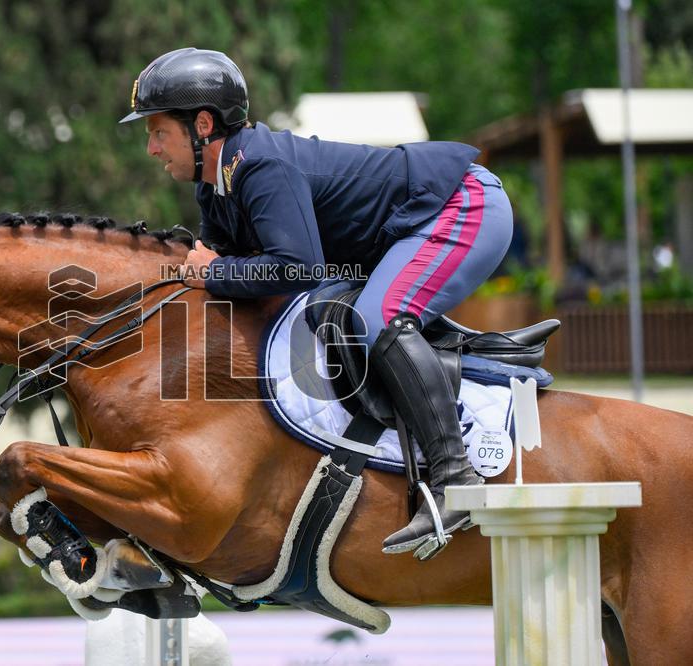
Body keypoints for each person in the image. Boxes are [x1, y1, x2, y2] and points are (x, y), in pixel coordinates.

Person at [120, 48, 514, 556]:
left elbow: (294, 268)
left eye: (157, 131)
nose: (151, 148)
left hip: (462, 205)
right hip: (412, 227)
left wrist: (214, 271)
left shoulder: (260, 167)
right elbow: (226, 292)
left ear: (202, 125)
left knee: (375, 324)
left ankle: (455, 478)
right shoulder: (215, 189)